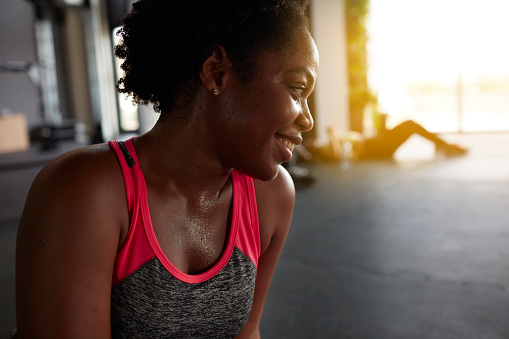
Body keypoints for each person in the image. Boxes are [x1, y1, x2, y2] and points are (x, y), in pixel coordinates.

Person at [14, 1, 318, 338]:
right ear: (217, 72)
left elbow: (246, 331)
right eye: (296, 89)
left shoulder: (272, 195)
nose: (308, 118)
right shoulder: (83, 190)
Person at [305, 119, 467, 162]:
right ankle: (444, 145)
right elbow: (336, 155)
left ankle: (441, 144)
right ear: (312, 150)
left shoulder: (326, 144)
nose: (311, 142)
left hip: (374, 142)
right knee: (411, 126)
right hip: (373, 148)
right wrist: (332, 133)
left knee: (410, 124)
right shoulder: (326, 152)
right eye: (309, 144)